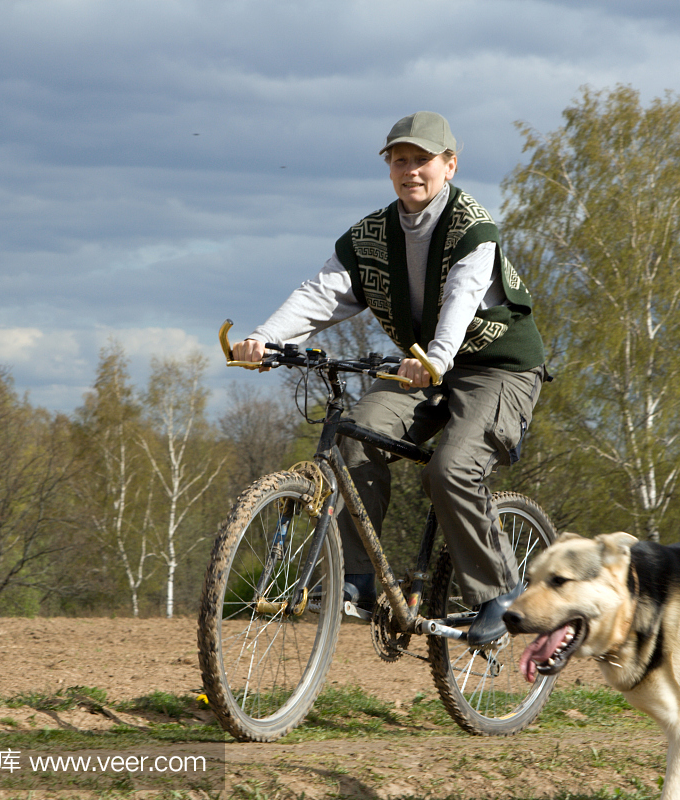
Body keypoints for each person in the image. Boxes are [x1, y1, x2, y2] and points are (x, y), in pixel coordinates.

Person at [230, 111, 547, 645]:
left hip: (498, 370)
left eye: (423, 160)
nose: (411, 170)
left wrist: (436, 359)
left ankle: (502, 594)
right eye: (400, 160)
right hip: (426, 368)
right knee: (356, 436)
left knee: (451, 469)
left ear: (449, 165)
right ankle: (357, 579)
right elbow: (322, 293)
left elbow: (462, 298)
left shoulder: (473, 228)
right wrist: (264, 339)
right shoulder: (371, 236)